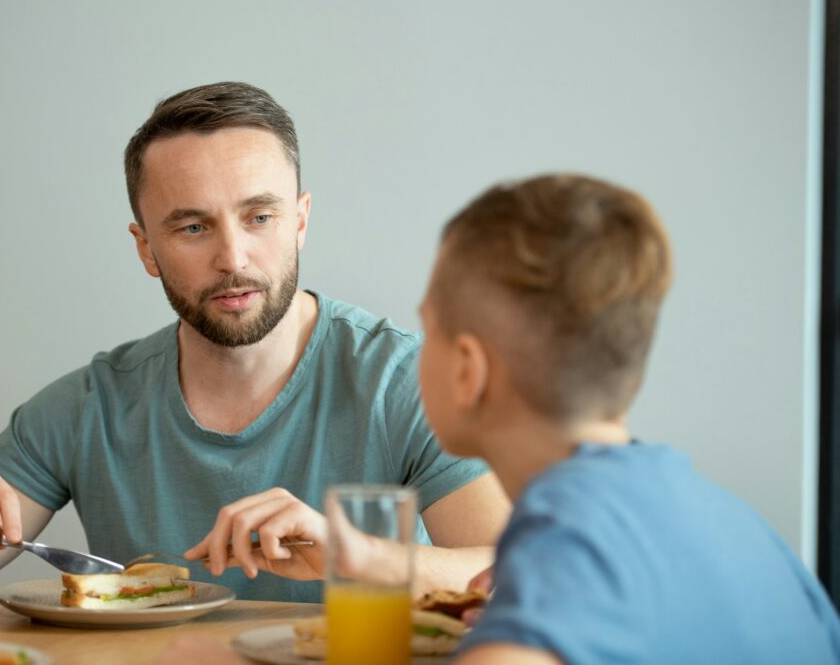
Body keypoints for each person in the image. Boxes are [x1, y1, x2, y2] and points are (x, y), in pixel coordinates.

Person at [155, 173, 840, 663]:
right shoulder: (738, 527)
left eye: (428, 329)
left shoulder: (561, 565)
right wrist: (367, 561)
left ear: (468, 370)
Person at [0, 82, 507, 602]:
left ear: (299, 220)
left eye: (259, 217)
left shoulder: (406, 382)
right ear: (146, 249)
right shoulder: (85, 409)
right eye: (192, 226)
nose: (232, 258)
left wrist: (354, 555)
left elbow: (525, 576)